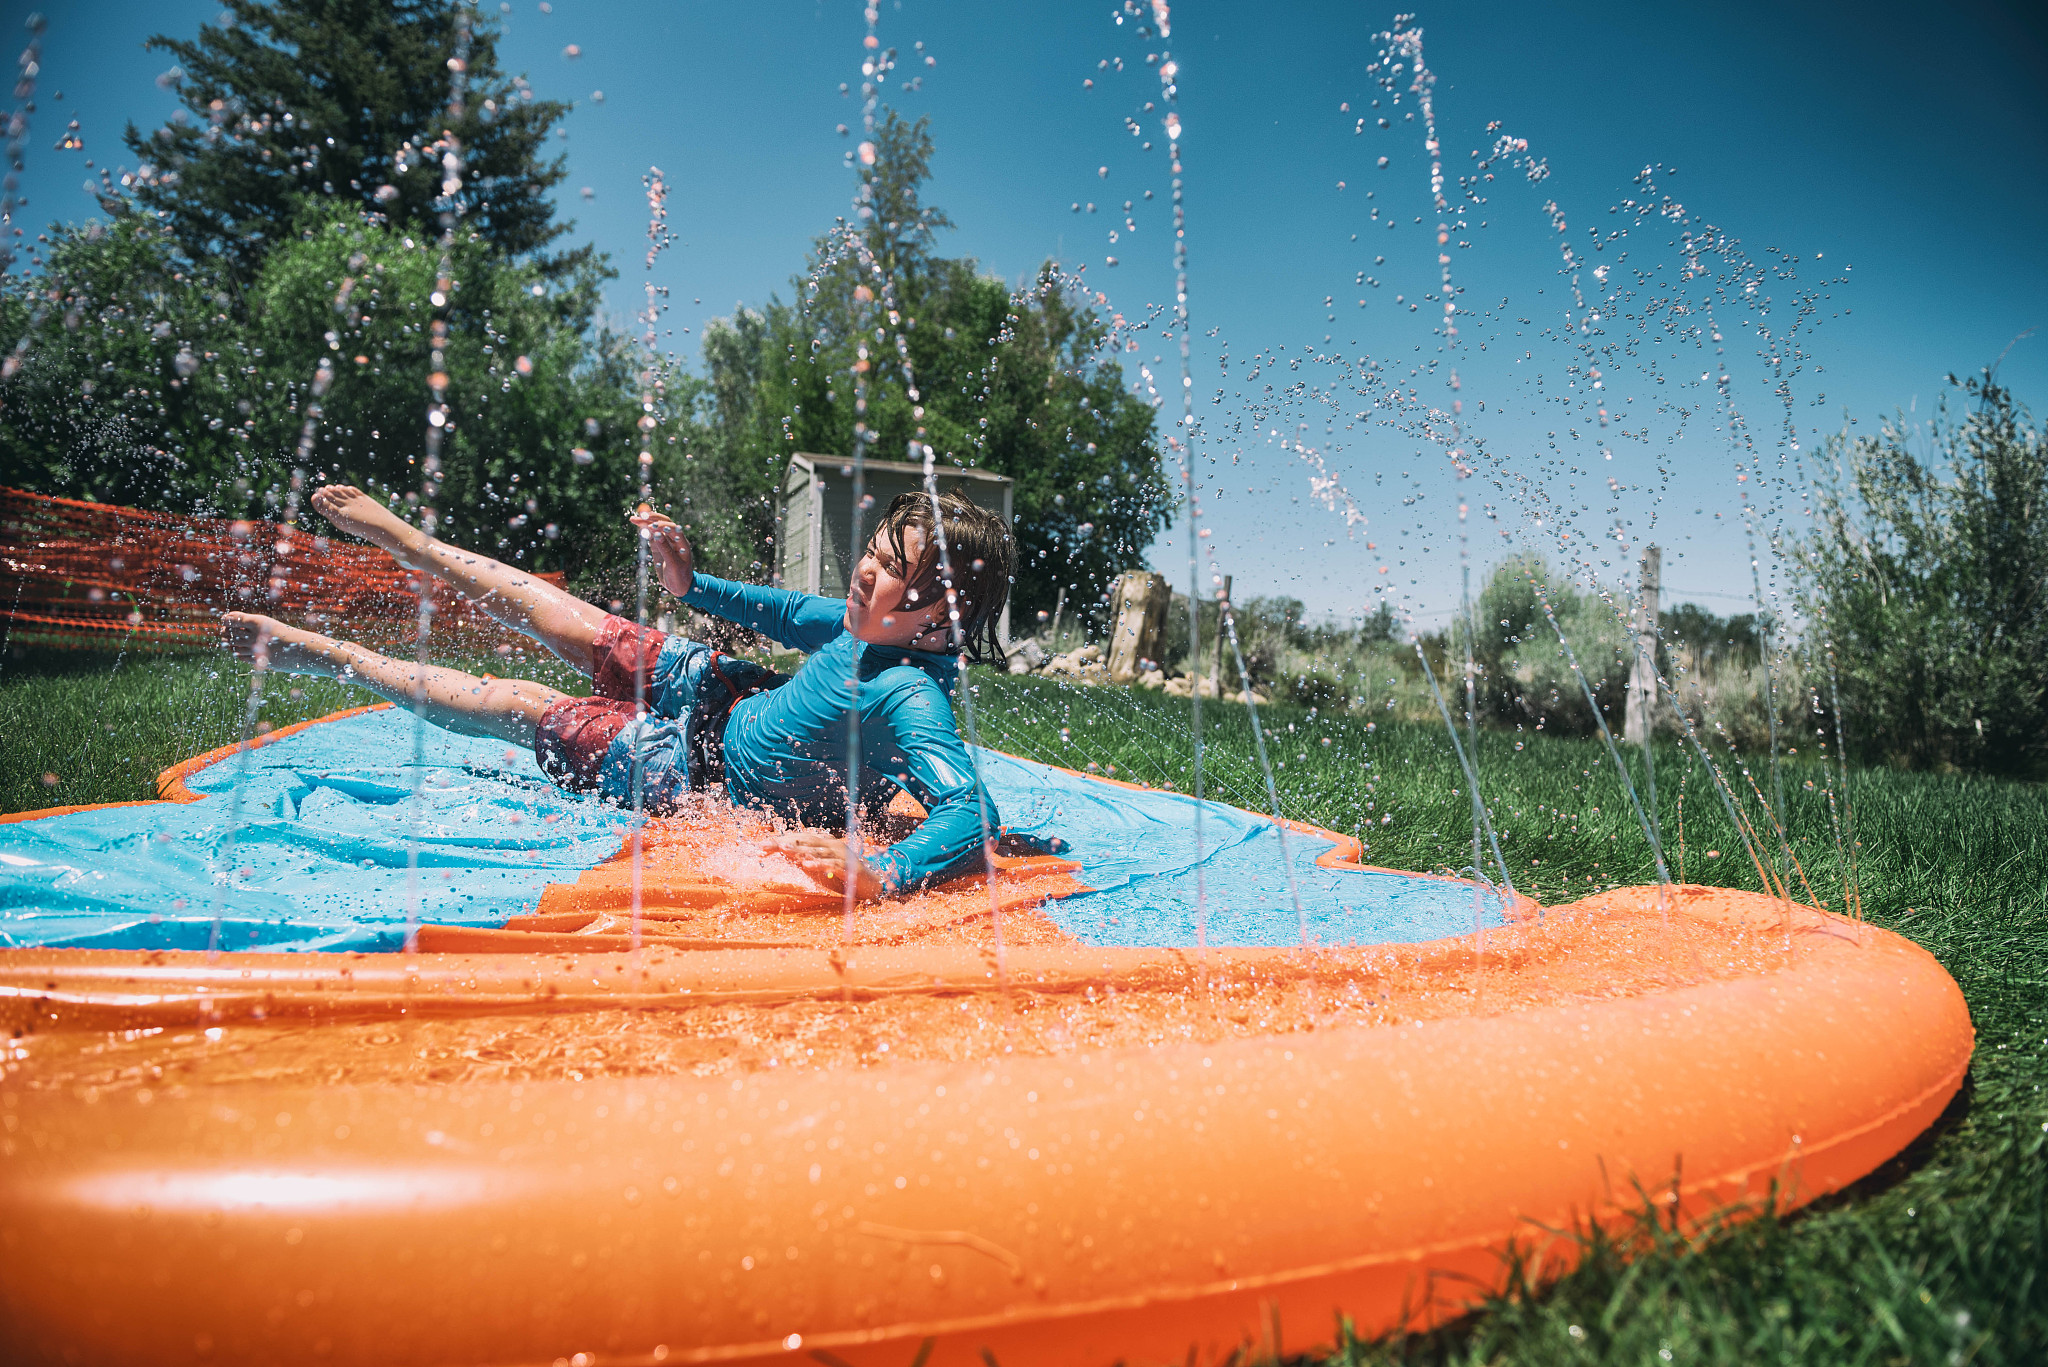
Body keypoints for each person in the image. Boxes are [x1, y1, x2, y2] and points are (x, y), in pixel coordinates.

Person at [220, 482, 1015, 901]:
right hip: (716, 689)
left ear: (940, 625)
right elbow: (775, 609)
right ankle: (406, 538)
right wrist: (688, 581)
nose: (864, 570)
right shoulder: (859, 626)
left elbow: (971, 811)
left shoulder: (911, 696)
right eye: (872, 553)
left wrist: (887, 870)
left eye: (890, 573)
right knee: (557, 610)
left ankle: (324, 654)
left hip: (689, 774)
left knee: (516, 701)